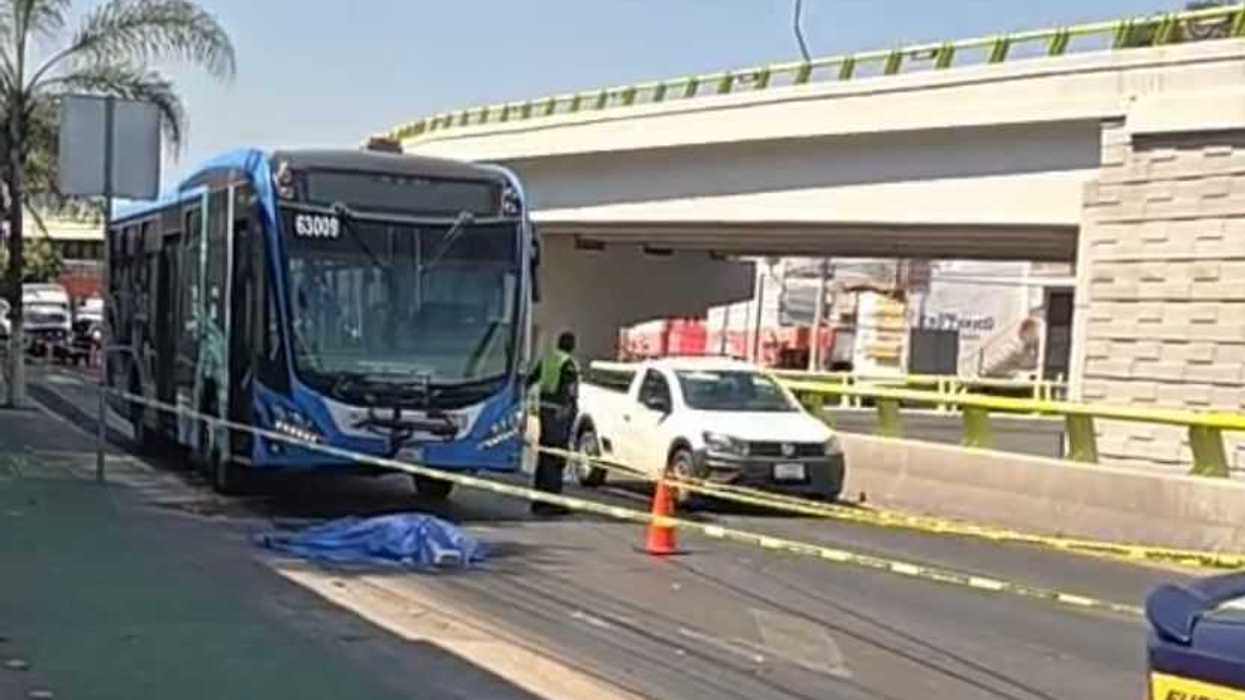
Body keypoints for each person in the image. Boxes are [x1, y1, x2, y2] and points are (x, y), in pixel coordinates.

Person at [532, 330, 579, 516]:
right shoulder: (568, 363)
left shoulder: (547, 359)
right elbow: (571, 391)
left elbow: (531, 379)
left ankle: (538, 499)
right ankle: (551, 501)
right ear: (571, 346)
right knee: (556, 457)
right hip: (559, 414)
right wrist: (570, 411)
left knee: (544, 455)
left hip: (544, 410)